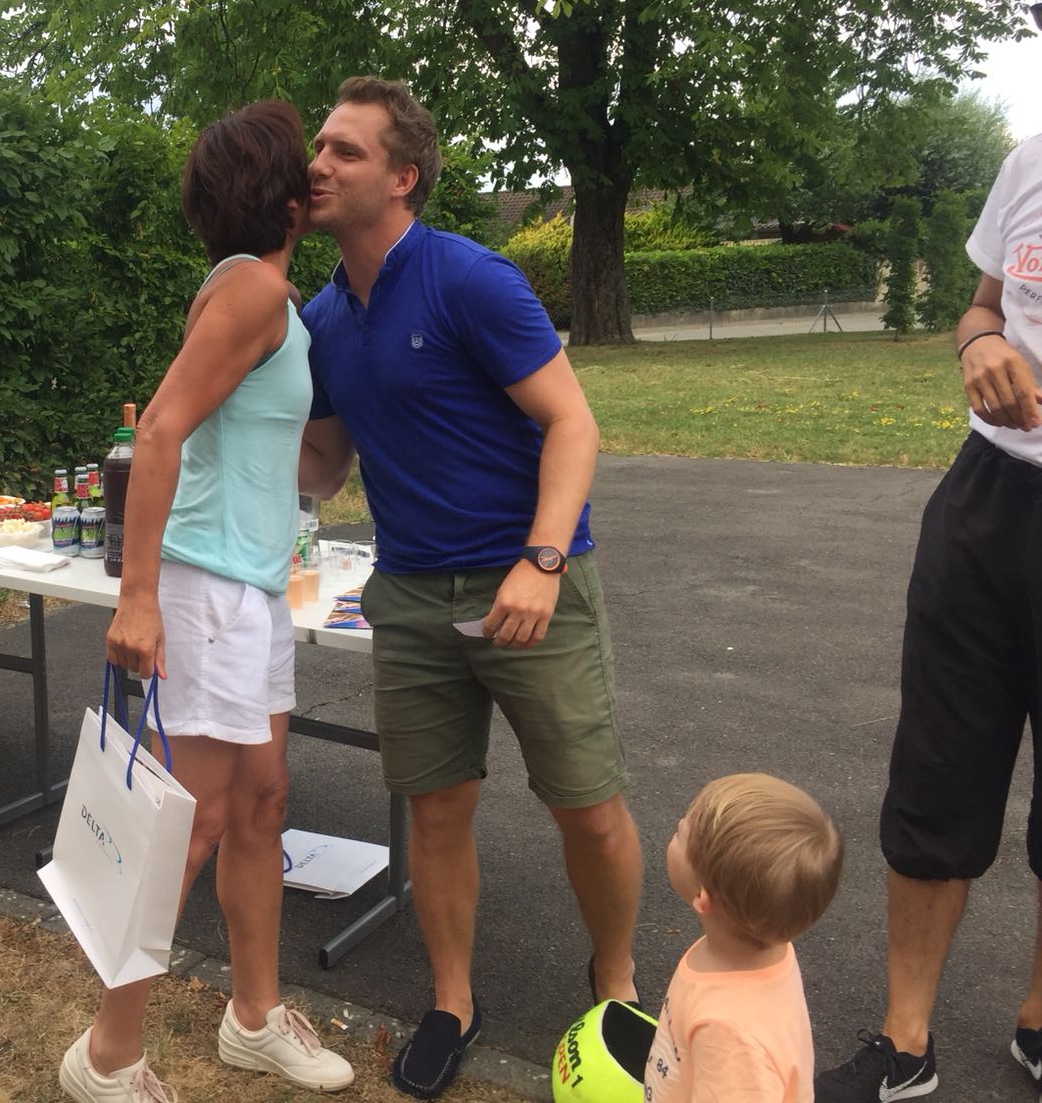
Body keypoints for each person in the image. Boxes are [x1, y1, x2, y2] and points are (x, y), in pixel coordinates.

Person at [297, 76, 643, 1099]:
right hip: (407, 594)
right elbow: (324, 468)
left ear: (403, 176)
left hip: (528, 583)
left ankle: (617, 984)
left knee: (586, 807)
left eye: (345, 150)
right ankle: (452, 1002)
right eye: (319, 146)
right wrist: (229, 434)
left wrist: (542, 561)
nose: (318, 163)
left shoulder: (469, 279)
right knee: (435, 812)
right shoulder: (321, 316)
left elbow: (572, 422)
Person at [57, 99, 354, 1102]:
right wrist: (138, 597)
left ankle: (254, 1019)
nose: (319, 172)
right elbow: (158, 432)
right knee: (189, 823)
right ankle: (106, 1057)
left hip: (250, 591)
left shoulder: (270, 296)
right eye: (305, 160)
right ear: (280, 196)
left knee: (261, 807)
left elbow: (306, 464)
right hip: (203, 590)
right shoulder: (252, 293)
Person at [816, 135, 1042, 1101]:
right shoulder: (1030, 163)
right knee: (937, 774)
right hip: (987, 498)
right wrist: (978, 339)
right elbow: (984, 305)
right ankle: (904, 1044)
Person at [646, 774, 843, 1102]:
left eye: (683, 833)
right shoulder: (761, 945)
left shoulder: (730, 1039)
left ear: (703, 898)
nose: (678, 823)